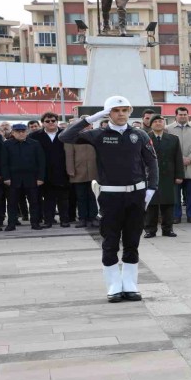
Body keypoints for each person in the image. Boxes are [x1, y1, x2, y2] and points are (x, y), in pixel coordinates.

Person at [59, 96, 158, 303]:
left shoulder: (139, 134)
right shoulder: (98, 134)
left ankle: (130, 284)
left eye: (124, 110)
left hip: (136, 194)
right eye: (115, 110)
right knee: (110, 241)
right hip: (110, 195)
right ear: (108, 113)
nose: (121, 114)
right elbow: (65, 137)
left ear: (130, 111)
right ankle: (113, 284)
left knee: (132, 240)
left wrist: (151, 189)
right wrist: (90, 119)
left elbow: (152, 162)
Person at [144, 115, 183, 238]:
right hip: (150, 175)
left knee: (168, 203)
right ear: (151, 125)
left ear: (164, 123)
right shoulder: (145, 138)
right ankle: (150, 230)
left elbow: (178, 158)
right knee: (151, 204)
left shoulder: (173, 139)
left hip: (168, 175)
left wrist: (179, 175)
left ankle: (168, 229)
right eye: (155, 122)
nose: (158, 123)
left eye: (160, 121)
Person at [30, 112, 71, 228]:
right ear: (42, 123)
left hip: (62, 171)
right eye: (47, 121)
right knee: (48, 199)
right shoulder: (35, 136)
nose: (51, 123)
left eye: (53, 120)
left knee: (63, 199)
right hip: (44, 172)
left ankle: (65, 220)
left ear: (57, 121)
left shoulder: (65, 134)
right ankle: (48, 220)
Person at [1, 124, 44, 232]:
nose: (21, 133)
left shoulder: (35, 144)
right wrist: (6, 177)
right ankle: (11, 224)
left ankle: (35, 223)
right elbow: (4, 162)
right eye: (18, 131)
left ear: (27, 132)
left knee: (34, 202)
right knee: (12, 203)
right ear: (13, 133)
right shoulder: (7, 144)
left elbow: (41, 162)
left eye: (23, 131)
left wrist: (40, 177)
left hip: (32, 178)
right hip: (13, 178)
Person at [64, 116, 99, 228]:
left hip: (94, 171)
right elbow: (69, 155)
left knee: (92, 195)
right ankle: (83, 218)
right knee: (81, 196)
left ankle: (93, 217)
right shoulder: (71, 136)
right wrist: (70, 170)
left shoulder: (94, 135)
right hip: (78, 171)